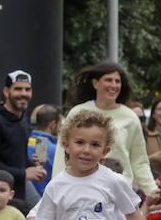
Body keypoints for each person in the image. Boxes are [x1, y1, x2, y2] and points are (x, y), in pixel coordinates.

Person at [66, 62, 156, 195]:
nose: (114, 85)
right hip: (81, 189)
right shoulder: (77, 112)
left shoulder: (130, 117)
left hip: (120, 191)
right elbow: (63, 154)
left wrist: (152, 191)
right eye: (108, 80)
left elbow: (139, 161)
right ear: (95, 83)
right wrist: (58, 186)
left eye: (117, 81)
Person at [0, 70, 43, 204]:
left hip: (19, 194)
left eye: (27, 89)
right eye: (18, 89)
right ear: (7, 92)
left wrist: (34, 168)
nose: (24, 94)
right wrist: (24, 174)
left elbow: (18, 159)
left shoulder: (23, 118)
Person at [28, 104, 61, 199]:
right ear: (53, 125)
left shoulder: (26, 142)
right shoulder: (42, 145)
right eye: (60, 124)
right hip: (43, 201)